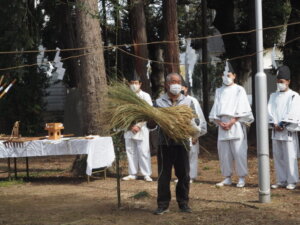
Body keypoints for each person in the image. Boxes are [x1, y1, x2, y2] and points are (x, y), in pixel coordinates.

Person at [148, 73, 199, 215]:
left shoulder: (188, 102)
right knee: (164, 175)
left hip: (181, 143)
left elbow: (197, 122)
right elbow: (150, 126)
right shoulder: (158, 102)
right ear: (167, 84)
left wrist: (186, 124)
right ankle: (163, 204)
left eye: (178, 82)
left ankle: (183, 203)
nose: (175, 84)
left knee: (184, 175)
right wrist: (152, 119)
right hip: (164, 144)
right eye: (172, 82)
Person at [209, 61, 254, 188]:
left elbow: (243, 107)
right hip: (222, 123)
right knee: (224, 153)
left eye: (228, 75)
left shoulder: (239, 89)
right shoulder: (219, 91)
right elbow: (215, 109)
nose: (226, 78)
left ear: (234, 76)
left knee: (239, 152)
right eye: (224, 76)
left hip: (236, 123)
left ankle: (241, 177)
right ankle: (227, 177)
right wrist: (219, 122)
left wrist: (232, 122)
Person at [268, 65, 299, 190]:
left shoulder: (294, 96)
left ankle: (292, 180)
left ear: (288, 81)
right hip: (276, 131)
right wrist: (274, 124)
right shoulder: (273, 96)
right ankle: (281, 179)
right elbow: (269, 110)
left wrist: (283, 124)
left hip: (287, 131)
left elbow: (294, 111)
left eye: (282, 82)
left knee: (290, 156)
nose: (279, 84)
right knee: (278, 156)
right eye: (278, 81)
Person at [122, 76, 153, 182]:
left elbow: (149, 112)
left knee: (143, 151)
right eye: (132, 82)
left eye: (136, 82)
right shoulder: (125, 96)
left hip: (142, 127)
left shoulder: (145, 96)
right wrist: (130, 124)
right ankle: (132, 173)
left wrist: (138, 125)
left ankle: (146, 174)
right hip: (128, 127)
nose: (134, 85)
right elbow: (122, 112)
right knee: (130, 151)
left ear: (140, 84)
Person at [181, 82, 207, 183]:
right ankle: (183, 175)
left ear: (186, 88)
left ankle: (191, 176)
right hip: (180, 132)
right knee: (181, 155)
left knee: (192, 154)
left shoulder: (192, 100)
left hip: (192, 131)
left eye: (182, 86)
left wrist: (196, 135)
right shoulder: (175, 100)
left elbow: (198, 117)